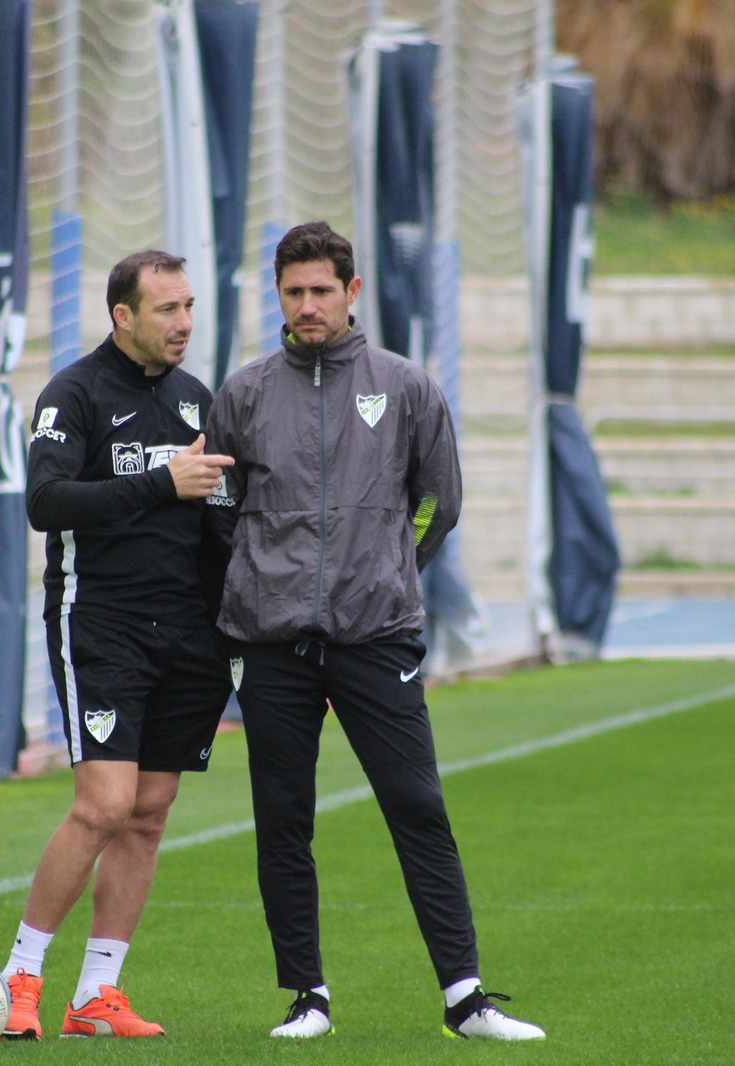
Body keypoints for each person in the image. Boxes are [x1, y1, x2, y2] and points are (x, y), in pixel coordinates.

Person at [205, 221, 545, 1041]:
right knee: (284, 817)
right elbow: (218, 508)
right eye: (294, 293)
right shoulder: (245, 392)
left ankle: (466, 999)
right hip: (272, 643)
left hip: (376, 634)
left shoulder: (406, 386)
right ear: (278, 297)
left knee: (416, 805)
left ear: (352, 293)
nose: (308, 306)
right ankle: (307, 998)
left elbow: (441, 500)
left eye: (323, 291)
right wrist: (263, 578)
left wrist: (391, 567)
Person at [0, 250, 235, 1040]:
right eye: (167, 309)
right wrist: (159, 482)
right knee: (103, 805)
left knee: (150, 812)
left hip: (186, 637)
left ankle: (97, 994)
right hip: (101, 624)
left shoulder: (198, 399)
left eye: (190, 306)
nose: (185, 324)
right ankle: (18, 980)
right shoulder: (75, 392)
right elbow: (46, 501)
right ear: (122, 315)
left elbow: (214, 531)